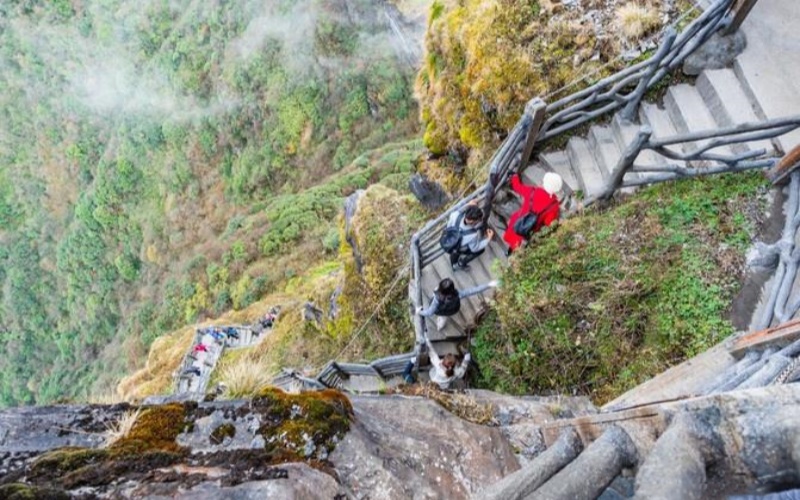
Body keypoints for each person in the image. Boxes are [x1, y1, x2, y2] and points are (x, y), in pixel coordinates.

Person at [503, 172, 563, 253]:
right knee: (518, 245)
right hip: (529, 229)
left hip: (517, 222)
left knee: (512, 237)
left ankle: (510, 249)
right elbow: (549, 223)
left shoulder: (532, 191)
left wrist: (514, 177)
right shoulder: (553, 206)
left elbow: (517, 187)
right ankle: (512, 251)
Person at [416, 278, 498, 330]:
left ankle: (440, 326)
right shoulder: (457, 294)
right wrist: (488, 285)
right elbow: (473, 290)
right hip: (453, 310)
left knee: (442, 315)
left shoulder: (437, 299)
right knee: (445, 316)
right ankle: (440, 326)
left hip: (441, 310)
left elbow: (430, 312)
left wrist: (419, 312)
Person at [443, 202, 495, 271]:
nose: (479, 221)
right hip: (459, 247)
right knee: (480, 250)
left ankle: (453, 263)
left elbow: (458, 207)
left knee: (455, 250)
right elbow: (475, 248)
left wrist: (468, 204)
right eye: (478, 220)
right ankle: (461, 264)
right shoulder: (472, 234)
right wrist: (488, 238)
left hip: (448, 239)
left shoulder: (455, 215)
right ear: (471, 221)